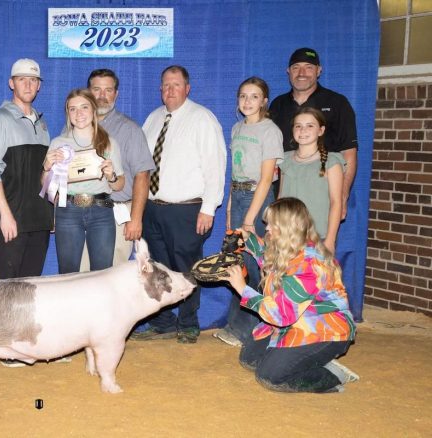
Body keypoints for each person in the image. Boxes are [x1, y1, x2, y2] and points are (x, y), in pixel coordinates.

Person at [132, 65, 227, 344]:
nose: (169, 90)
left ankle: (188, 322)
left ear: (187, 88)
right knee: (157, 266)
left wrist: (209, 207)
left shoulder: (202, 119)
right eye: (164, 85)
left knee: (187, 267)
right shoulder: (152, 118)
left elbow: (215, 166)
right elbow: (142, 165)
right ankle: (162, 320)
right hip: (152, 206)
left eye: (175, 85)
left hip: (186, 209)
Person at [224, 197, 358, 393]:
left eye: (271, 224)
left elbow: (280, 315)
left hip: (324, 330)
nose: (267, 228)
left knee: (270, 376)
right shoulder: (289, 247)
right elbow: (266, 257)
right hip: (295, 322)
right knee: (249, 359)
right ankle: (305, 360)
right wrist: (245, 238)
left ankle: (331, 376)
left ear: (287, 227)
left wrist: (242, 289)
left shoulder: (309, 265)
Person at [215, 77, 284, 347]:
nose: (247, 101)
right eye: (243, 96)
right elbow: (236, 172)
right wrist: (232, 207)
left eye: (254, 96)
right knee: (238, 263)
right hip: (239, 194)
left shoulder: (270, 131)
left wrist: (249, 218)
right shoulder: (236, 128)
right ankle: (236, 324)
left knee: (257, 266)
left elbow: (267, 178)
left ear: (264, 101)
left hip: (259, 197)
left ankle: (250, 329)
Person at [0, 58, 53, 280]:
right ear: (12, 83)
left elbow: (45, 175)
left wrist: (50, 213)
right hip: (11, 221)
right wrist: (5, 215)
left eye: (33, 80)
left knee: (29, 291)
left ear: (39, 85)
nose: (28, 85)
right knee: (5, 291)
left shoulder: (42, 124)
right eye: (22, 80)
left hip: (38, 221)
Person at [77, 68, 155, 269]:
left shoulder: (130, 130)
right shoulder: (74, 127)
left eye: (108, 90)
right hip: (80, 210)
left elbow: (142, 175)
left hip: (116, 212)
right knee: (80, 274)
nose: (102, 96)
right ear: (88, 92)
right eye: (96, 89)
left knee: (109, 275)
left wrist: (136, 219)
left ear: (116, 94)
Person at [43, 89, 125, 274]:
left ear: (93, 110)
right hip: (68, 210)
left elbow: (119, 184)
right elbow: (46, 186)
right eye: (73, 109)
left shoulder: (109, 143)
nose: (79, 113)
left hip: (102, 209)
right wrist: (47, 166)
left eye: (84, 107)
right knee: (68, 272)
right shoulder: (58, 143)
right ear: (68, 114)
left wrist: (111, 175)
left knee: (103, 273)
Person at [269, 47, 357, 220]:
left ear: (319, 70)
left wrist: (342, 195)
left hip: (322, 194)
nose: (302, 73)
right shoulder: (277, 105)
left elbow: (349, 154)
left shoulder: (338, 103)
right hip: (285, 193)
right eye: (296, 67)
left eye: (309, 67)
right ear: (288, 71)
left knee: (319, 244)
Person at [279, 107, 344, 254]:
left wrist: (330, 239)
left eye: (310, 126)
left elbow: (336, 202)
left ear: (321, 130)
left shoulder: (331, 161)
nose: (303, 130)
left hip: (317, 237)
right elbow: (281, 199)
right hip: (286, 235)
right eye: (298, 126)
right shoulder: (285, 159)